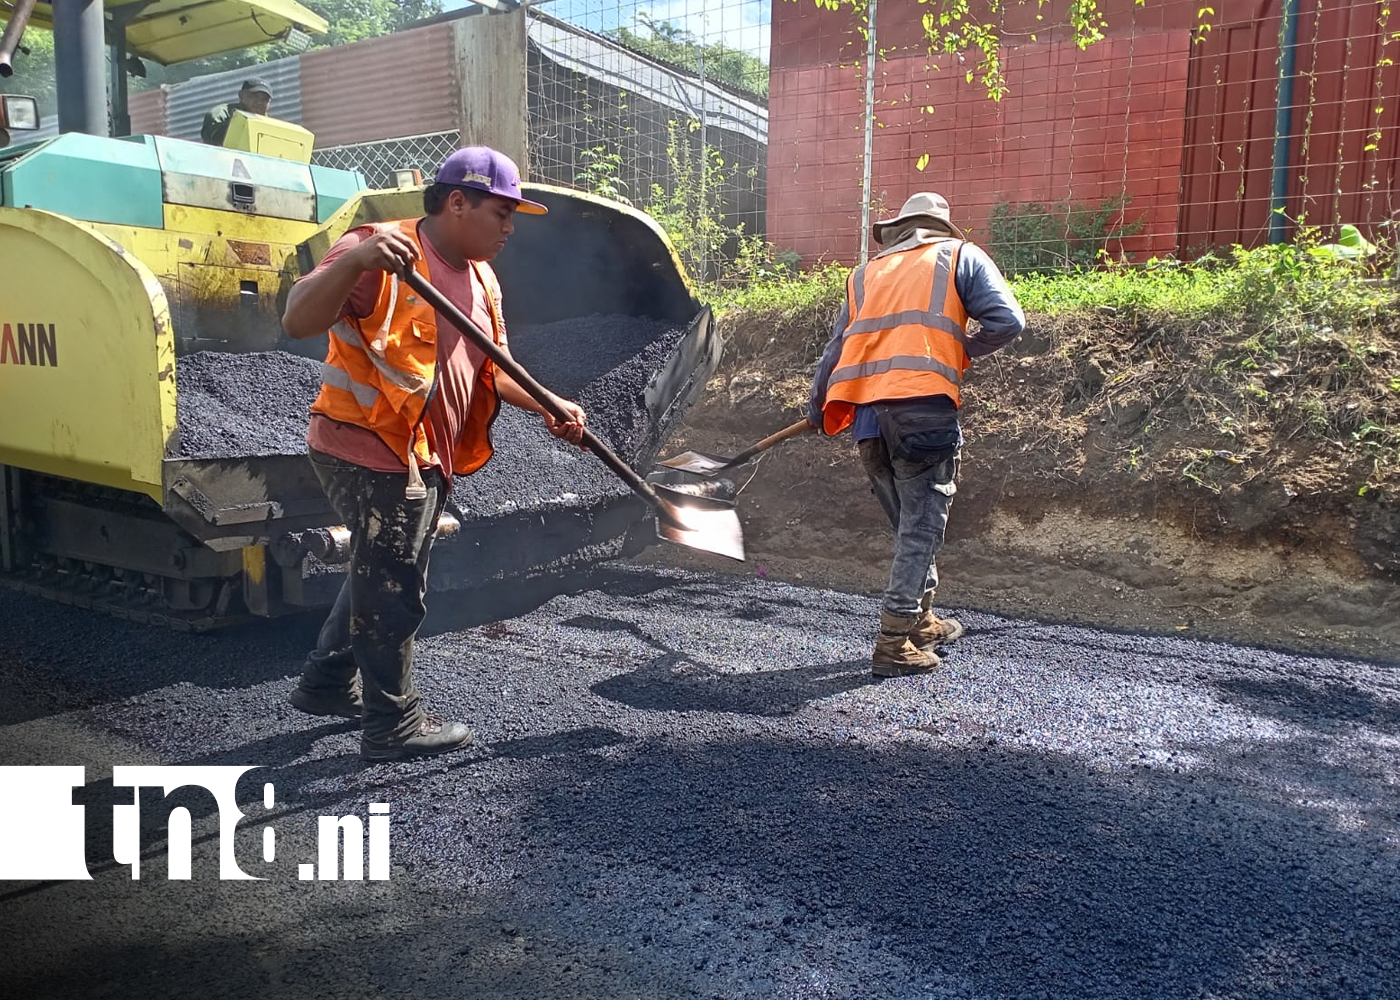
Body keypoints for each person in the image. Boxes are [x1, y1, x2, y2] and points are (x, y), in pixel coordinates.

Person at [282, 146, 587, 761]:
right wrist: (356, 261)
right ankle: (390, 725)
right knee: (395, 582)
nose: (509, 229)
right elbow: (296, 318)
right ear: (456, 202)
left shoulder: (480, 277)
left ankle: (325, 681)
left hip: (427, 451)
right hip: (366, 446)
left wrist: (550, 402)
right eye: (502, 214)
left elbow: (489, 367)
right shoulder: (379, 249)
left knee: (380, 564)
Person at [807, 192, 1025, 678]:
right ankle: (892, 642)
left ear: (899, 231)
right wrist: (962, 349)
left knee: (911, 526)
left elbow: (836, 348)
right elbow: (1008, 321)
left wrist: (819, 405)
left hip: (867, 421)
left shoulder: (864, 275)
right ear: (940, 228)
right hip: (922, 412)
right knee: (922, 528)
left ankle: (922, 620)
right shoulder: (959, 257)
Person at [201, 78, 272, 146]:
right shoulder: (222, 113)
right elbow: (212, 138)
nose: (259, 102)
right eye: (253, 96)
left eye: (264, 99)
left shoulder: (271, 126)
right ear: (241, 95)